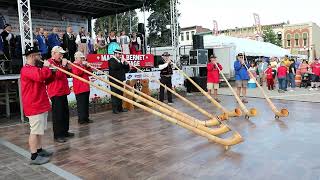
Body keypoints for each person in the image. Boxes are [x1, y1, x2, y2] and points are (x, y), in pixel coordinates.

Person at [20, 46, 53, 165]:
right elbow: (39, 76)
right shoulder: (26, 69)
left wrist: (51, 71)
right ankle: (34, 156)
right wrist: (46, 67)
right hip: (34, 105)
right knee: (34, 131)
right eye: (38, 55)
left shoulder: (36, 68)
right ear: (32, 56)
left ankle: (39, 150)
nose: (40, 57)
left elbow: (45, 79)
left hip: (40, 103)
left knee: (39, 130)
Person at [47, 46, 74, 143]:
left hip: (63, 90)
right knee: (58, 114)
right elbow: (56, 76)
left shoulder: (59, 63)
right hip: (55, 91)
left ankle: (65, 131)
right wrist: (63, 66)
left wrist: (68, 66)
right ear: (54, 53)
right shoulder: (49, 62)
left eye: (62, 54)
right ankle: (58, 134)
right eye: (60, 54)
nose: (62, 56)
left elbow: (66, 74)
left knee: (65, 113)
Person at [71, 51, 93, 124]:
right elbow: (78, 73)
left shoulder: (81, 65)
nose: (83, 59)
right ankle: (81, 119)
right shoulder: (74, 64)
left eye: (83, 58)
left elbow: (90, 73)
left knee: (86, 104)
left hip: (85, 87)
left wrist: (88, 66)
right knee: (81, 104)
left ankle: (86, 118)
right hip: (79, 88)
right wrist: (84, 66)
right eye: (81, 58)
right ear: (77, 58)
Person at [108, 49, 130, 114]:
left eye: (121, 54)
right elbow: (115, 67)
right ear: (115, 54)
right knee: (115, 95)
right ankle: (115, 109)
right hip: (114, 81)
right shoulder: (111, 60)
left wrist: (126, 64)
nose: (120, 55)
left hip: (120, 80)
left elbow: (126, 70)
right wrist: (122, 62)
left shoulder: (120, 61)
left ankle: (120, 108)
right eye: (119, 54)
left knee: (120, 94)